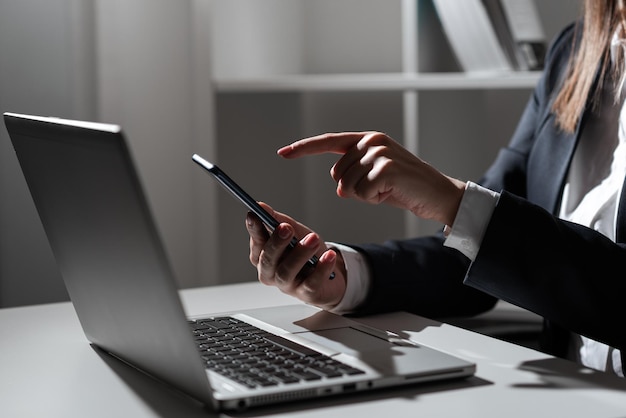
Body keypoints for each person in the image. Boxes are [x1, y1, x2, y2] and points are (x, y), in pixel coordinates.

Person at [245, 0, 626, 377]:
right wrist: (342, 276)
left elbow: (491, 230)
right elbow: (479, 252)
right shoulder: (574, 52)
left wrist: (454, 201)